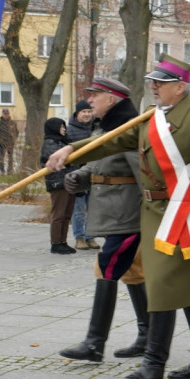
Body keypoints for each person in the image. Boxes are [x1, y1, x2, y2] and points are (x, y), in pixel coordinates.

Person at [46, 55, 190, 379]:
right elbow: (110, 143)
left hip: (186, 215)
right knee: (186, 289)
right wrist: (70, 150)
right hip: (157, 214)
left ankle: (154, 367)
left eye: (161, 83)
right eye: (152, 82)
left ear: (181, 88)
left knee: (166, 287)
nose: (153, 87)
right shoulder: (152, 119)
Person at [60, 78, 148, 362]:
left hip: (129, 215)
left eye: (96, 96)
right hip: (113, 214)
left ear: (112, 99)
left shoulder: (130, 129)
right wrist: (81, 176)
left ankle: (95, 343)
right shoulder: (104, 127)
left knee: (107, 266)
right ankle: (147, 336)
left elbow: (147, 174)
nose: (90, 102)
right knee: (133, 272)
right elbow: (99, 166)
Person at [41, 118, 77, 255]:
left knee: (67, 214)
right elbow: (59, 160)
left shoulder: (64, 142)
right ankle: (56, 243)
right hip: (58, 182)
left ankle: (63, 241)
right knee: (59, 214)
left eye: (64, 126)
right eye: (61, 126)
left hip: (68, 181)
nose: (64, 129)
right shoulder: (50, 142)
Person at [67, 100, 99, 250]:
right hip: (78, 175)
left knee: (92, 208)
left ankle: (90, 236)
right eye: (83, 112)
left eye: (89, 111)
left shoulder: (96, 128)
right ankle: (79, 237)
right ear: (77, 113)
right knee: (79, 209)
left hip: (94, 173)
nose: (87, 114)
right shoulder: (70, 130)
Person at [0, 108, 19, 175]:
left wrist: (14, 139)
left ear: (9, 114)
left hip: (11, 142)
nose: (6, 115)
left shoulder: (13, 123)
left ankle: (10, 170)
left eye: (7, 114)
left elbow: (16, 132)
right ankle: (2, 170)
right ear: (2, 114)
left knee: (10, 157)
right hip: (2, 142)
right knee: (2, 156)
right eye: (4, 114)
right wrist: (0, 139)